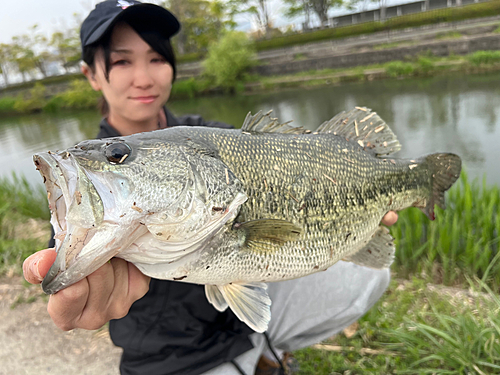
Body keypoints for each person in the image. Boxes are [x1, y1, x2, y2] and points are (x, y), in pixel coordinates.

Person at [22, 1, 398, 374]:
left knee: (368, 275)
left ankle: (269, 351)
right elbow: (68, 265)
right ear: (91, 74)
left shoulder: (214, 136)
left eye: (156, 58)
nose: (144, 77)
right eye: (122, 61)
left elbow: (288, 166)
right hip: (176, 358)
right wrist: (86, 285)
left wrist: (350, 186)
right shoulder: (87, 188)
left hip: (242, 324)